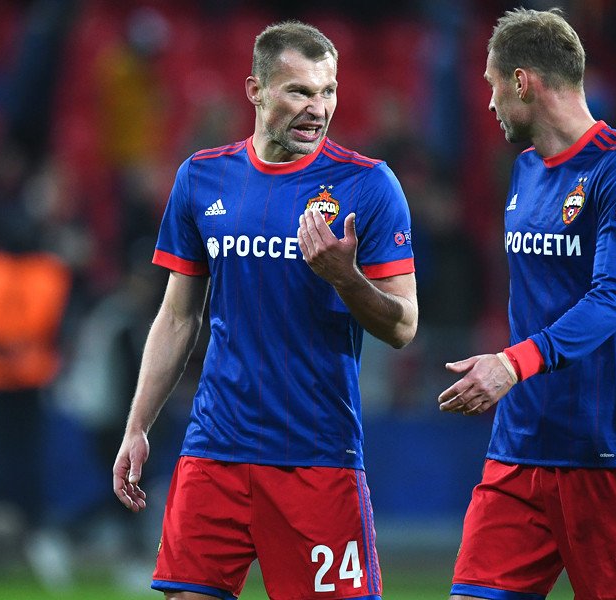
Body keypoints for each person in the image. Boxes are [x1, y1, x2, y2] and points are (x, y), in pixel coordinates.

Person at [112, 21, 417, 600]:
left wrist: (345, 278)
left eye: (328, 92)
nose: (317, 109)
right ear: (255, 90)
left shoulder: (368, 186)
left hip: (316, 455)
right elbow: (178, 316)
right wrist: (138, 426)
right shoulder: (202, 177)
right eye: (299, 91)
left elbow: (403, 326)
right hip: (215, 448)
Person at [437, 8, 616, 600]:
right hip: (519, 453)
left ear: (521, 81)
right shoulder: (524, 171)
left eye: (492, 84)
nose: (489, 102)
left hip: (605, 454)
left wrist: (512, 364)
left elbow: (613, 300)